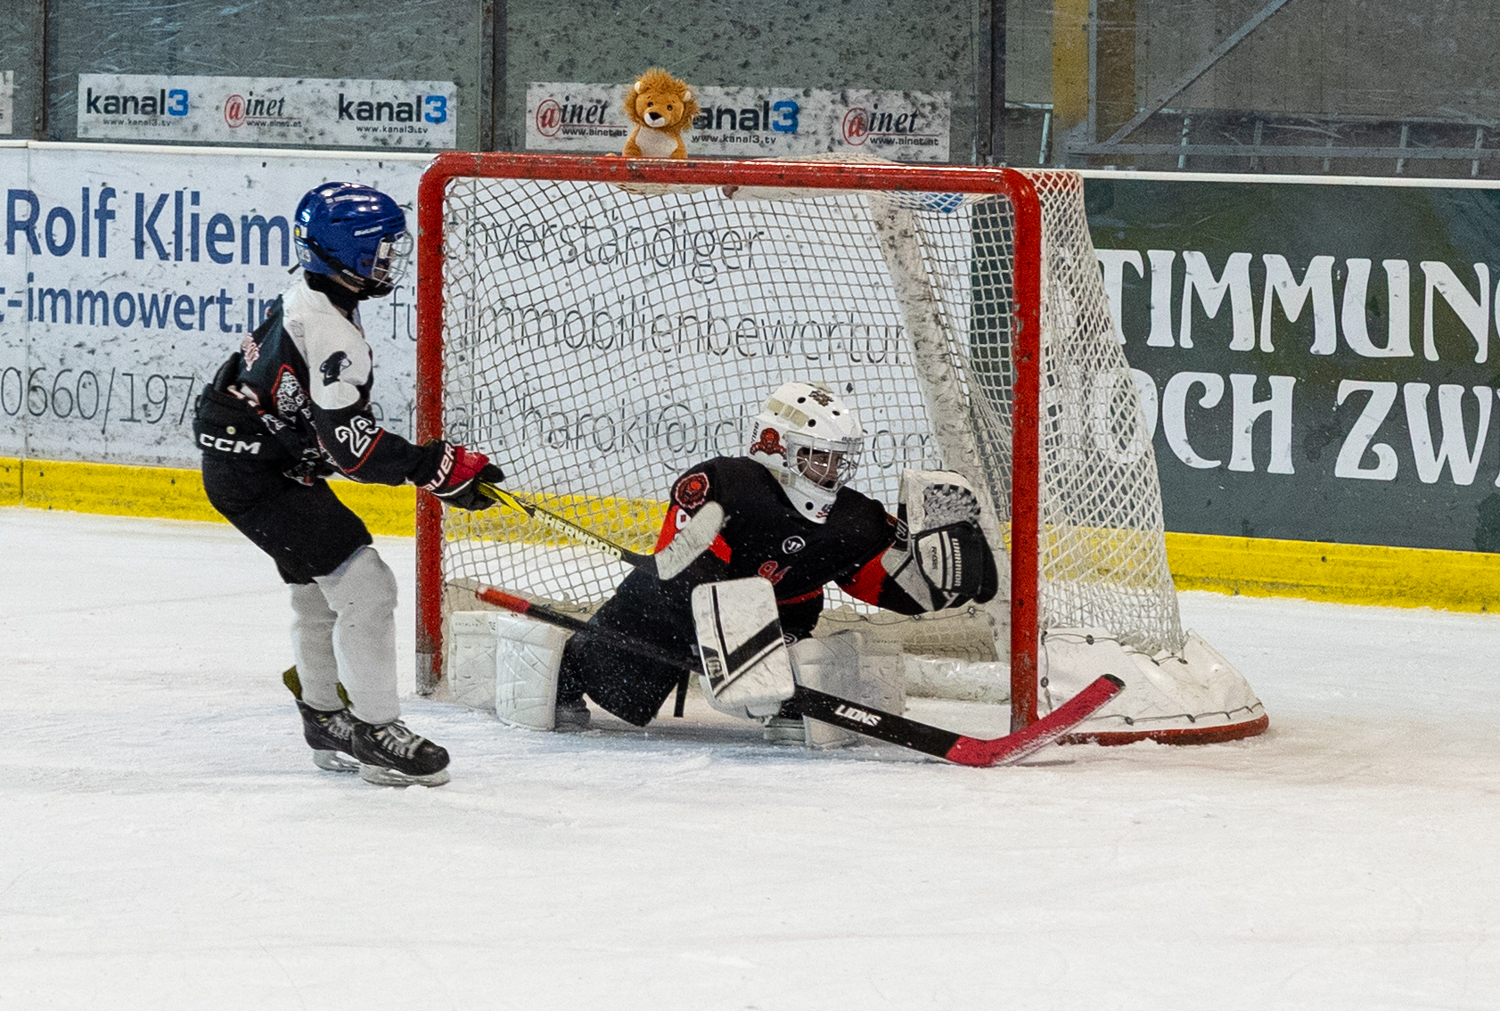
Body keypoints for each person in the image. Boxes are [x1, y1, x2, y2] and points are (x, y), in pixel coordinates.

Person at [193, 182, 504, 787]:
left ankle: (324, 718)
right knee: (367, 587)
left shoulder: (313, 296)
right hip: (259, 475)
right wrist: (433, 468)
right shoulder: (332, 330)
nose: (391, 260)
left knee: (318, 593)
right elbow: (351, 447)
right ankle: (376, 731)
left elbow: (310, 417)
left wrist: (427, 469)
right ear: (347, 253)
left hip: (250, 466)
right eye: (382, 249)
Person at [554, 380, 998, 731]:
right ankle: (560, 672)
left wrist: (937, 584)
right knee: (613, 675)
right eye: (818, 458)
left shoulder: (853, 517)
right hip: (670, 613)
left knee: (797, 663)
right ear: (776, 446)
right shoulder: (725, 485)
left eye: (838, 461)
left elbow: (880, 582)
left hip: (782, 618)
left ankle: (783, 697)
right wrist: (729, 643)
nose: (831, 472)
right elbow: (685, 579)